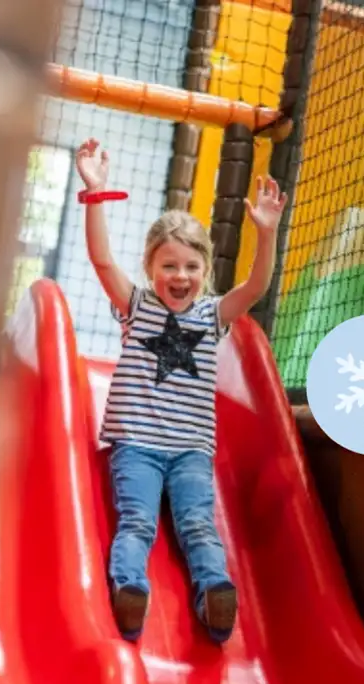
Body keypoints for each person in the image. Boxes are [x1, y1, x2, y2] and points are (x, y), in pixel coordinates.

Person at [75, 138, 287, 644]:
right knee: (137, 523)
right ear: (151, 268)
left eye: (191, 267)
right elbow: (102, 261)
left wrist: (267, 232)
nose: (180, 276)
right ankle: (130, 591)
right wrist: (96, 193)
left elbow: (256, 287)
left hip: (192, 451)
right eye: (169, 265)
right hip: (138, 447)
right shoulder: (137, 305)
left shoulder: (212, 314)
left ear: (205, 272)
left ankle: (216, 593)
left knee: (199, 526)